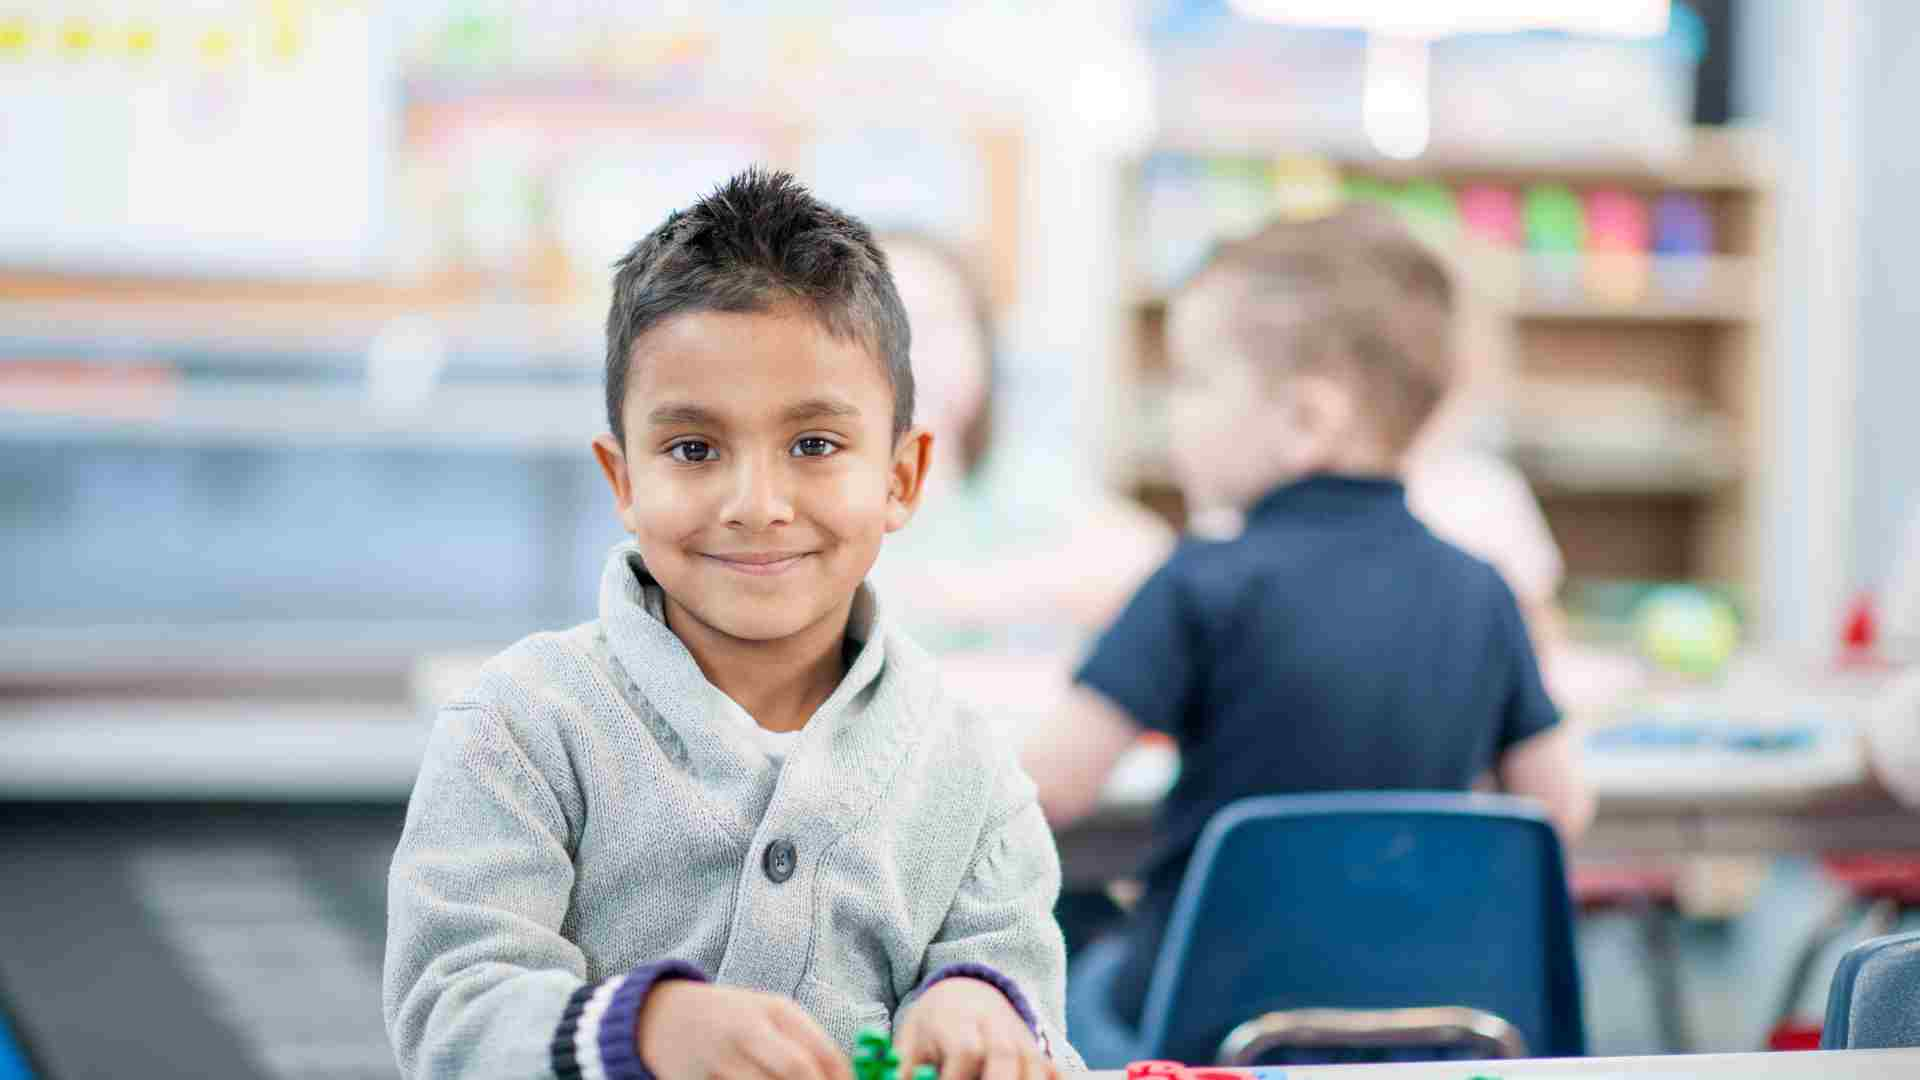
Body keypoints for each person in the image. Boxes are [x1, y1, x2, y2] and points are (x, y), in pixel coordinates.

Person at [384, 169, 1080, 1080]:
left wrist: (983, 1002)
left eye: (815, 445)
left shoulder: (972, 773)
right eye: (694, 449)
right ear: (625, 479)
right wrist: (643, 1028)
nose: (757, 505)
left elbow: (1028, 1007)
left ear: (901, 479)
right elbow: (451, 1009)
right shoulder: (521, 728)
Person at [1021, 205, 1594, 1062]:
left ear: (1306, 419)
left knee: (1069, 966)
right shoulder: (1484, 591)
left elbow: (1048, 788)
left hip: (1208, 1028)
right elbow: (1557, 813)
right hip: (1433, 1025)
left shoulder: (1198, 580)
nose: (1171, 413)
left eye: (1191, 380)